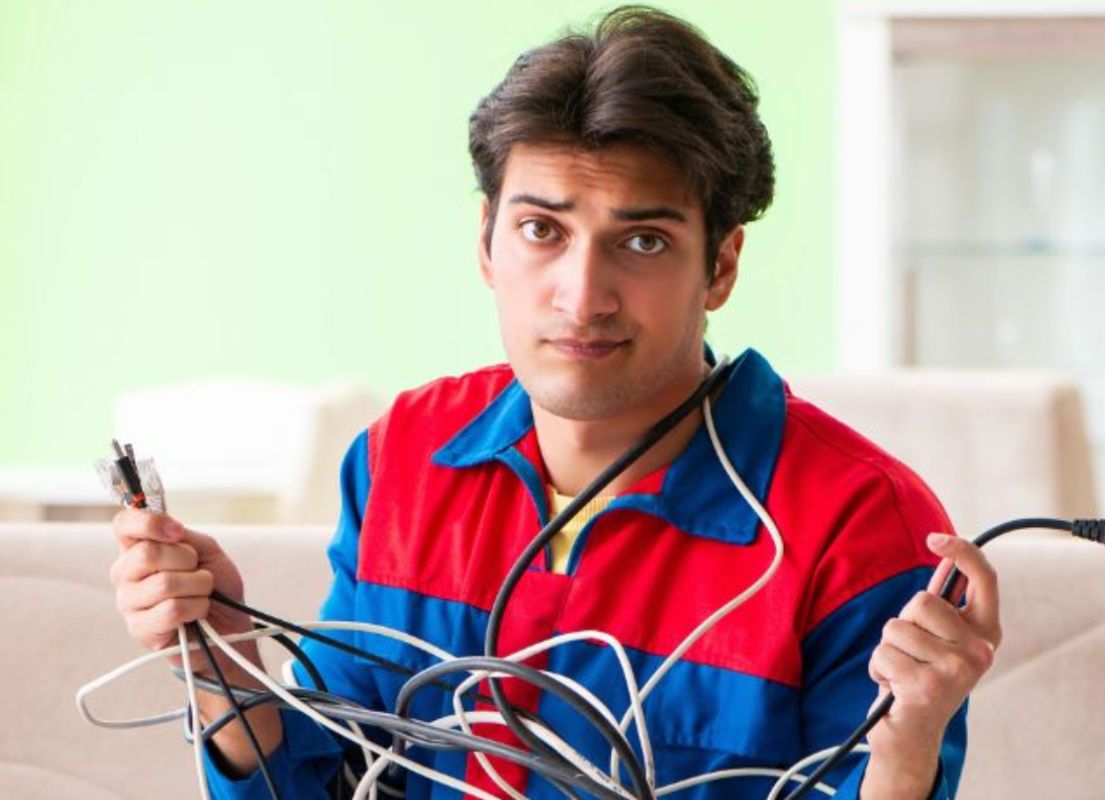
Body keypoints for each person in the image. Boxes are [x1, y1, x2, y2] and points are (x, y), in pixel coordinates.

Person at [109, 6, 1001, 799]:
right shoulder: (402, 457)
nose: (583, 295)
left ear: (720, 267)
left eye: (642, 240)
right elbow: (334, 778)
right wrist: (220, 658)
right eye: (543, 230)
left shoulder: (861, 524)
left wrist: (906, 748)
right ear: (488, 245)